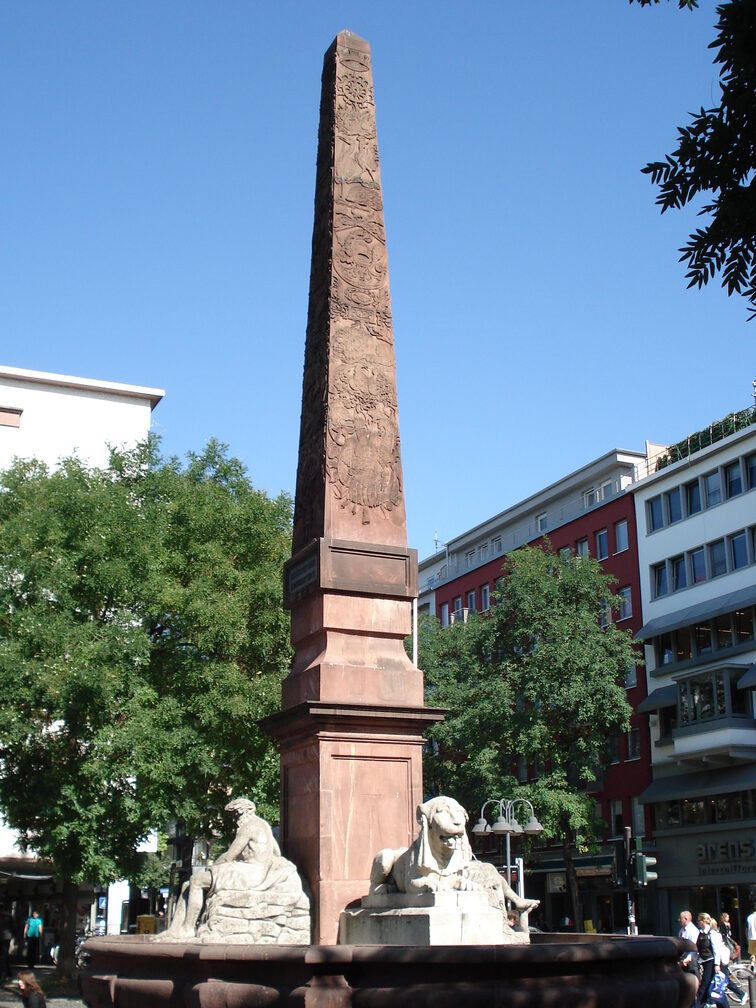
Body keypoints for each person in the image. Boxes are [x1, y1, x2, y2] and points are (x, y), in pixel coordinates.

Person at [711, 918, 747, 1005]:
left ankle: (741, 994)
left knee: (724, 980)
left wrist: (717, 964)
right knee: (721, 980)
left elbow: (716, 950)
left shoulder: (714, 934)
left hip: (721, 961)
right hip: (722, 960)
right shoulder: (716, 934)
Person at [695, 912, 719, 1008]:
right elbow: (697, 948)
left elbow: (716, 950)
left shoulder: (712, 933)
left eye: (699, 920)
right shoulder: (700, 933)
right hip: (704, 961)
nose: (697, 922)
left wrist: (717, 964)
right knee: (712, 985)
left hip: (711, 961)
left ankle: (698, 1005)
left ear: (704, 921)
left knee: (705, 985)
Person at [678, 910, 699, 980]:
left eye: (680, 918)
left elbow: (694, 947)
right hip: (683, 958)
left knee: (693, 977)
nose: (679, 920)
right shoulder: (681, 931)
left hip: (691, 958)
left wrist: (689, 958)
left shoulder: (693, 931)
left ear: (686, 919)